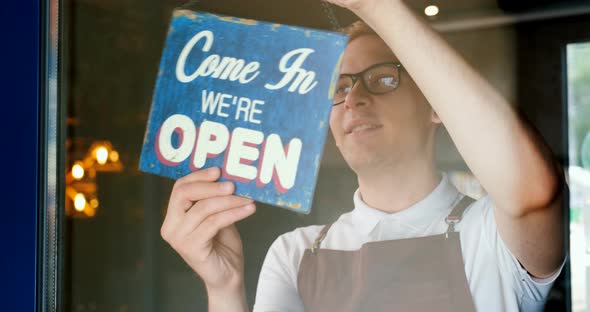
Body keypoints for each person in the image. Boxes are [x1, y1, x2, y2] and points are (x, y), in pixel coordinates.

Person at [160, 0, 566, 311]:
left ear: (435, 105)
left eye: (383, 78)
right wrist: (224, 288)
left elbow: (534, 189)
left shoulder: (490, 236)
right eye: (340, 87)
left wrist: (375, 5)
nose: (355, 98)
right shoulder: (295, 252)